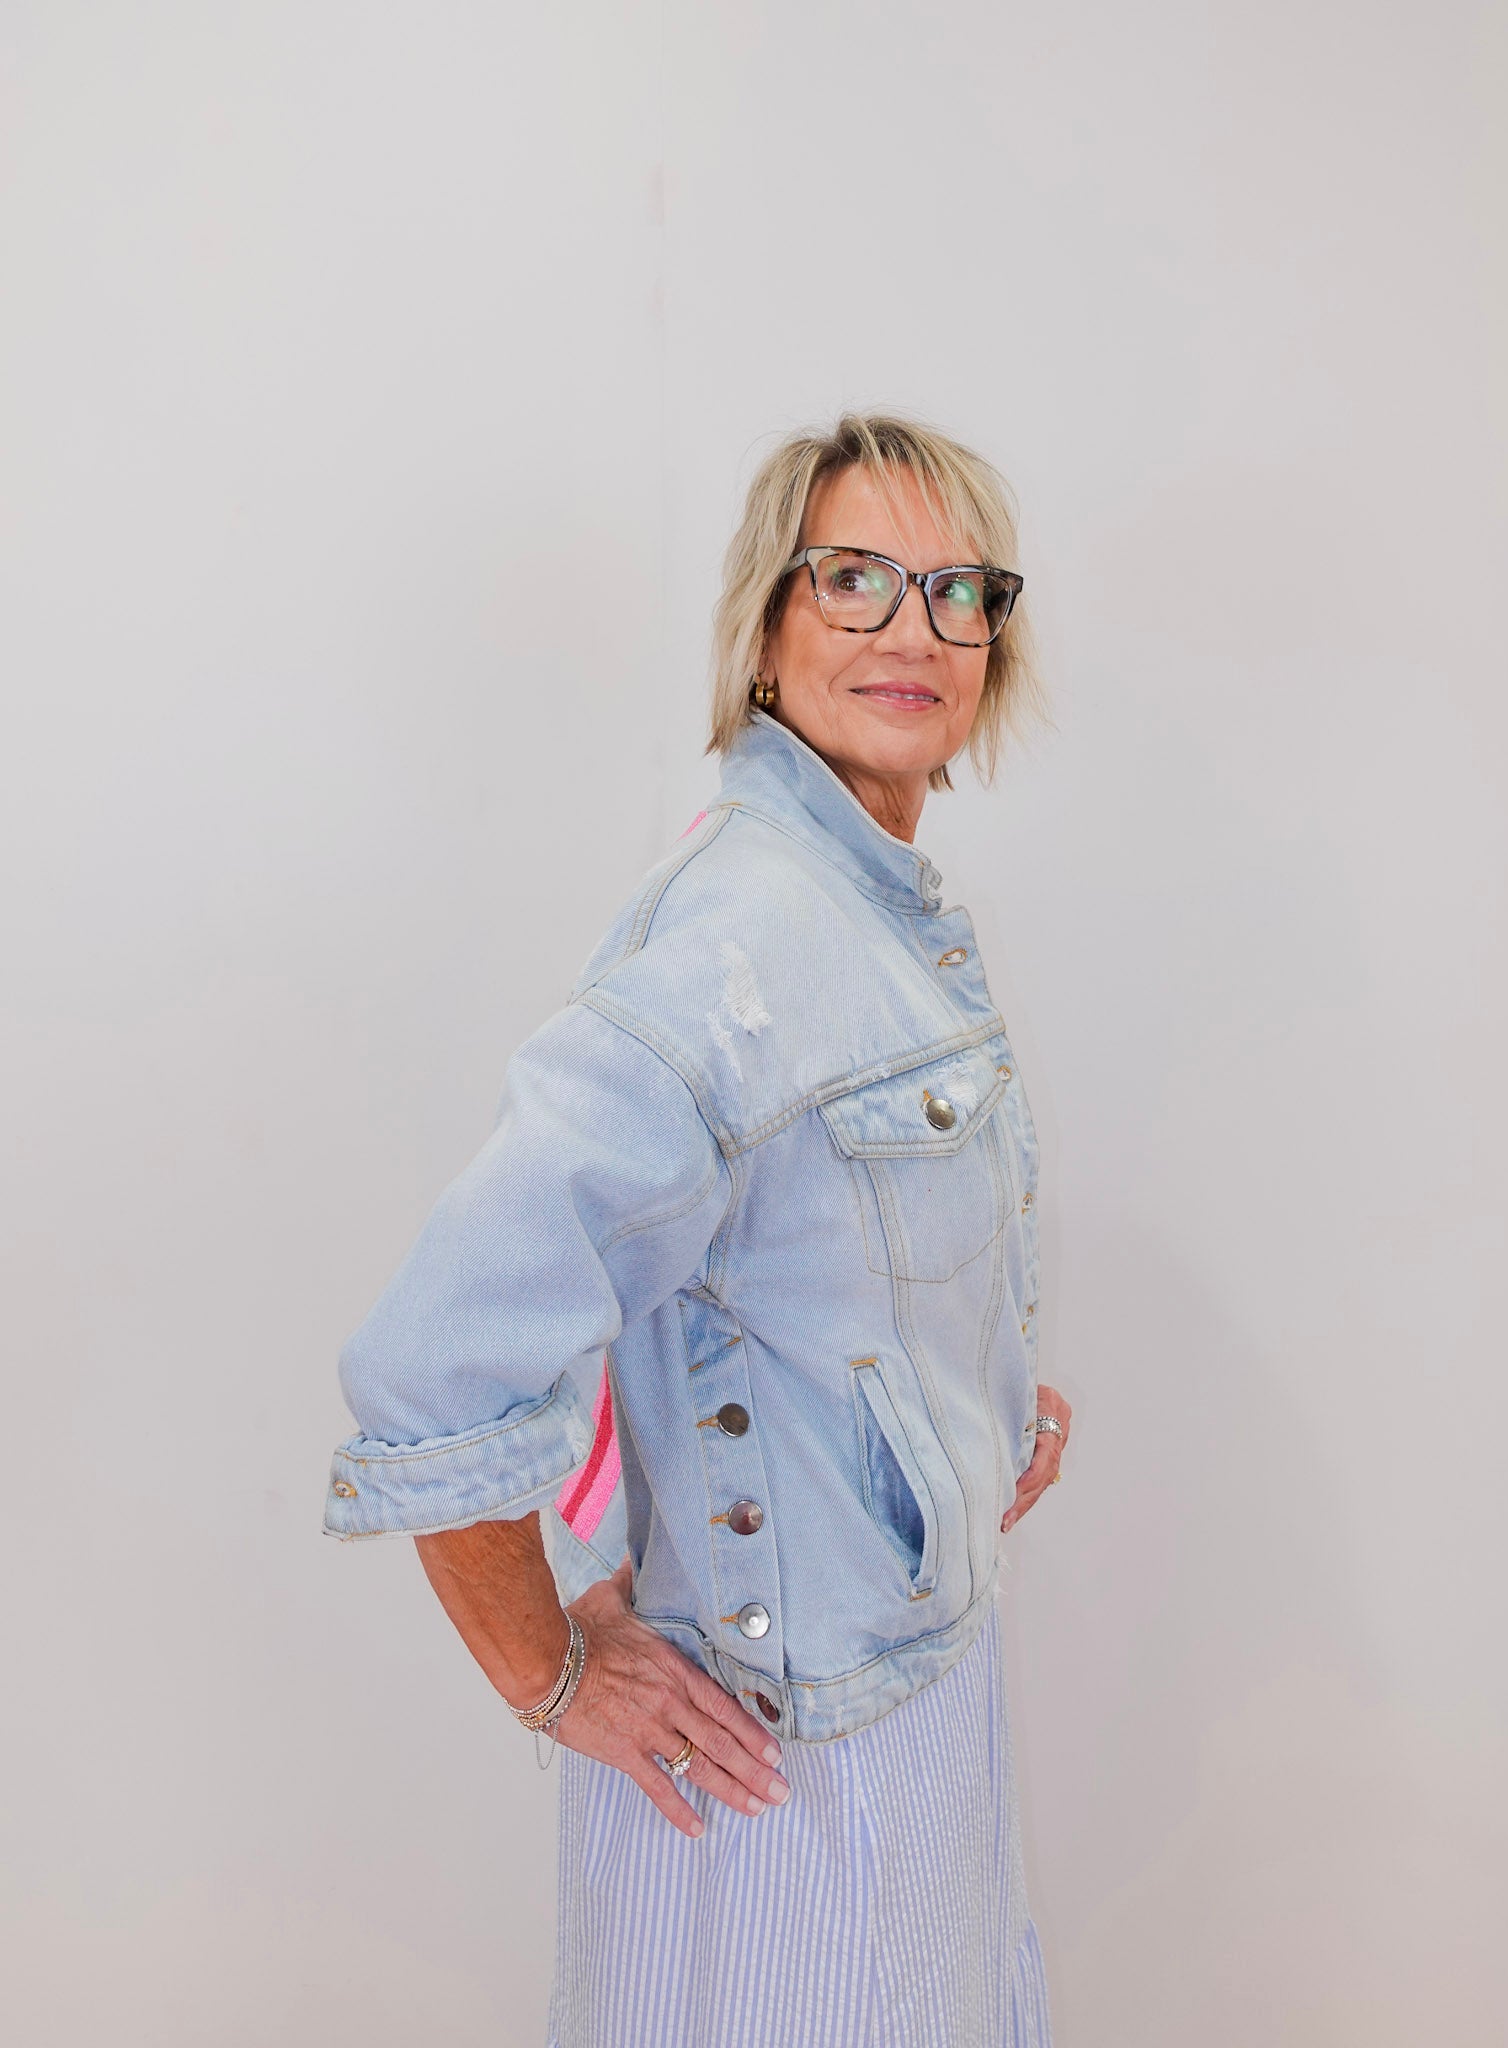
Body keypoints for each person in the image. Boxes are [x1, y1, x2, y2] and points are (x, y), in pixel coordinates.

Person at [323, 411, 1072, 2046]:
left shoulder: (870, 903)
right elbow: (440, 1359)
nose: (912, 629)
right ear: (767, 624)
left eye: (959, 591)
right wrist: (554, 1671)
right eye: (857, 577)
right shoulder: (749, 934)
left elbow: (793, 1255)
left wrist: (975, 1393)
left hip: (906, 1708)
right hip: (789, 1775)